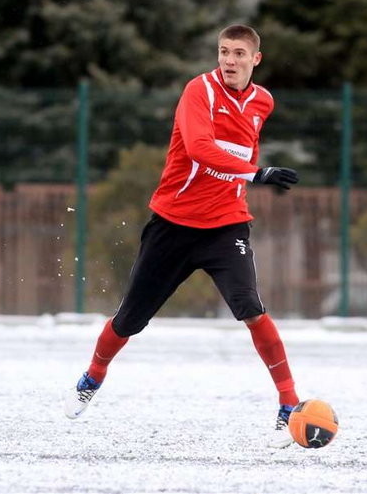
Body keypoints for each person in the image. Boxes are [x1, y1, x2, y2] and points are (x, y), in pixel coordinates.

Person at [63, 24, 301, 448]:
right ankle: (92, 377)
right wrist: (256, 173)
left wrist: (247, 176)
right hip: (173, 224)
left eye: (239, 54)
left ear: (255, 60)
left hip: (226, 225)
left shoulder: (263, 101)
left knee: (251, 308)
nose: (229, 60)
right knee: (130, 319)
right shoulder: (199, 91)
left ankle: (288, 404)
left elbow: (241, 149)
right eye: (224, 51)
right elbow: (198, 148)